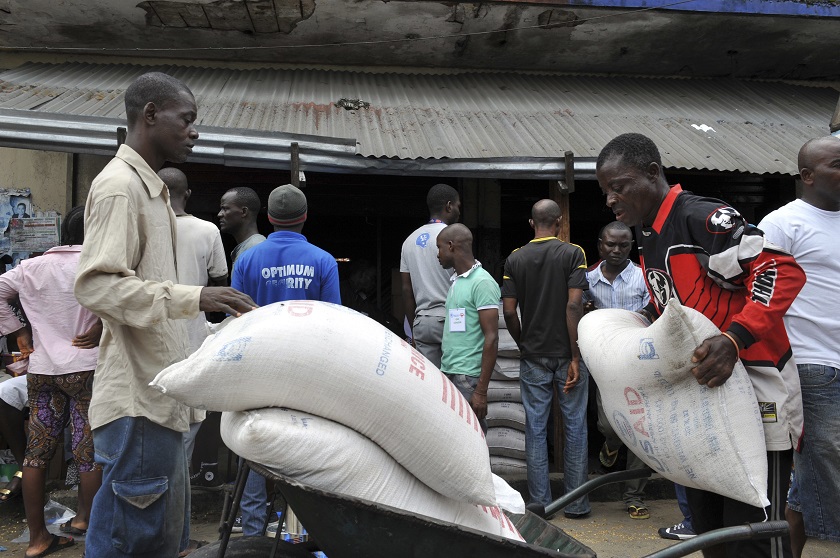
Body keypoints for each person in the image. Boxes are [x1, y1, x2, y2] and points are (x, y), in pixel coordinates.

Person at [596, 132, 805, 558]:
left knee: (754, 535)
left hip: (756, 396)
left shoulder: (701, 218)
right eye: (605, 191)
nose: (610, 200)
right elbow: (679, 313)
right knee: (713, 537)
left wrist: (734, 339)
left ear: (653, 173)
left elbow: (780, 271)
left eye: (618, 186)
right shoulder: (649, 236)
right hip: (706, 406)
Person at [74, 71, 257, 558]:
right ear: (150, 114)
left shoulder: (151, 193)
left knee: (158, 541)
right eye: (188, 119)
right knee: (128, 541)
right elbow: (98, 284)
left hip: (162, 398)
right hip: (138, 403)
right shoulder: (119, 188)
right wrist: (197, 297)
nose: (195, 131)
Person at [232, 183, 340, 536]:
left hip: (257, 367)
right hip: (306, 370)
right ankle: (301, 528)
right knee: (303, 445)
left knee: (253, 445)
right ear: (305, 217)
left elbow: (238, 320)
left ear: (269, 218)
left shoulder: (247, 260)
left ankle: (251, 531)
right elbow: (331, 322)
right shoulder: (323, 261)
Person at [0, 206, 102, 558]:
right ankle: (87, 521)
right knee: (87, 452)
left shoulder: (30, 268)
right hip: (86, 369)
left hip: (42, 371)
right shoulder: (95, 266)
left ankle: (37, 539)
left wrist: (18, 332)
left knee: (36, 452)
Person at [757, 135, 840, 557]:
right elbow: (760, 295)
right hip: (812, 362)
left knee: (809, 476)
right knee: (828, 454)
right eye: (837, 164)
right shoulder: (782, 224)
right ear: (807, 176)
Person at [501, 199, 590, 518]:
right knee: (575, 425)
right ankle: (576, 504)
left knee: (536, 428)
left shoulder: (515, 258)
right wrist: (576, 355)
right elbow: (573, 306)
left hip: (534, 355)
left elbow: (509, 311)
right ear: (559, 222)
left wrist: (522, 342)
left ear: (531, 223)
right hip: (568, 355)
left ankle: (541, 505)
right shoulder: (573, 253)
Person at [162, 167, 228, 557]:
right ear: (189, 192)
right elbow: (218, 281)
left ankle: (166, 537)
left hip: (151, 347)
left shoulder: (146, 228)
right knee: (182, 450)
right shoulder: (207, 231)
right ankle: (180, 540)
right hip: (192, 345)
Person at [583, 221, 652, 520]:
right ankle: (611, 444)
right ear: (600, 244)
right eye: (610, 244)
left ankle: (633, 495)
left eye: (623, 245)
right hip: (604, 364)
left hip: (638, 363)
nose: (616, 250)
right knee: (610, 424)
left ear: (631, 247)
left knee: (641, 428)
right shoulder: (587, 280)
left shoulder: (642, 277)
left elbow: (654, 312)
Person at [436, 223, 499, 433]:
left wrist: (481, 390)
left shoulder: (482, 282)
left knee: (472, 439)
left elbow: (491, 337)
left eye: (440, 248)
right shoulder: (456, 281)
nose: (438, 254)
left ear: (452, 246)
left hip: (469, 378)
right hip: (449, 372)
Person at [401, 184, 461, 368]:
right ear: (449, 206)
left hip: (422, 323)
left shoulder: (409, 241)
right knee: (455, 383)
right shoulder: (455, 238)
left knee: (430, 385)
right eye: (458, 205)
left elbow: (406, 289)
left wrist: (413, 327)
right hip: (451, 321)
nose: (459, 210)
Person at [218, 186, 266, 266]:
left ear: (244, 212)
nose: (219, 214)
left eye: (225, 209)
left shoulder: (256, 249)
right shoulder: (249, 248)